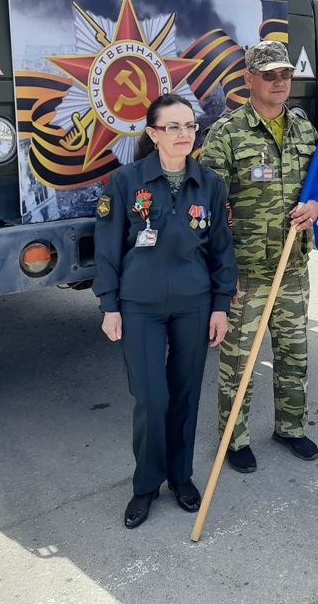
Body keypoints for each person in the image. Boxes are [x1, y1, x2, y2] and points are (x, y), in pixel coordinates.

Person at [94, 93, 238, 528]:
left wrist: (219, 305)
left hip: (194, 306)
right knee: (152, 398)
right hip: (140, 307)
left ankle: (180, 476)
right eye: (172, 127)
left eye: (190, 126)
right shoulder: (125, 182)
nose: (184, 134)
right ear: (153, 134)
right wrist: (109, 305)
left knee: (186, 395)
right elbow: (107, 248)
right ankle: (146, 483)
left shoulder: (209, 183)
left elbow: (221, 250)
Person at [200, 40, 318, 474]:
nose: (279, 82)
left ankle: (291, 427)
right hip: (245, 272)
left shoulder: (306, 131)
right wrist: (219, 272)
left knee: (294, 352)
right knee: (239, 361)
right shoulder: (227, 133)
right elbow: (206, 211)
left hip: (292, 267)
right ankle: (235, 438)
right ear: (248, 79)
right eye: (269, 74)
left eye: (285, 74)